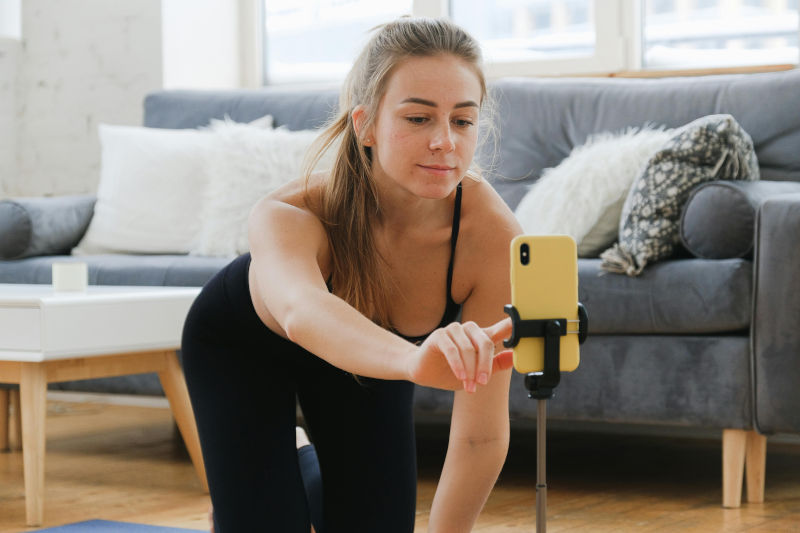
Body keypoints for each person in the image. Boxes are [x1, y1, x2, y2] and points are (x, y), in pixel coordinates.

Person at [181, 16, 522, 533]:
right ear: (365, 124)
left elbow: (480, 436)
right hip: (243, 349)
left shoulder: (492, 238)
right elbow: (302, 312)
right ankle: (263, 481)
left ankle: (297, 465)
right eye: (417, 119)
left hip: (367, 361)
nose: (445, 142)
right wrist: (414, 361)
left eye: (462, 120)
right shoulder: (288, 214)